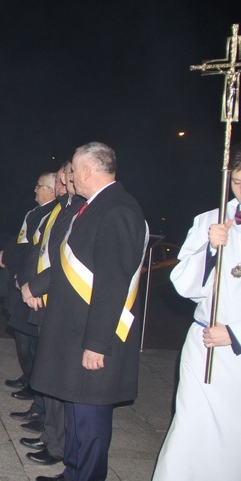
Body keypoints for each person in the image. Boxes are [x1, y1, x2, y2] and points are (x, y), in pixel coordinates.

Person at [30, 142, 148, 481]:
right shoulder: (94, 206)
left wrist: (97, 343)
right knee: (76, 414)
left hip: (95, 338)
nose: (68, 177)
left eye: (71, 170)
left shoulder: (118, 210)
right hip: (74, 333)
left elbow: (113, 284)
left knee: (91, 420)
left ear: (86, 171)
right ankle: (73, 473)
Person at [152, 147, 241, 481]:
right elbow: (183, 284)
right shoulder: (210, 220)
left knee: (232, 436)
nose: (240, 189)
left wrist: (234, 332)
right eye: (235, 182)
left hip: (236, 350)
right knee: (191, 424)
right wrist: (210, 250)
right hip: (203, 344)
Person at [18, 161, 85, 466]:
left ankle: (58, 445)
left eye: (65, 179)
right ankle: (51, 436)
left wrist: (37, 286)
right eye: (59, 180)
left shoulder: (78, 210)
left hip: (57, 299)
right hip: (45, 294)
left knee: (58, 379)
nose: (62, 185)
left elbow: (63, 259)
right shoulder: (63, 209)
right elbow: (39, 248)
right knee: (48, 373)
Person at [0, 172, 58, 414]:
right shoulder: (35, 212)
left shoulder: (52, 213)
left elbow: (33, 251)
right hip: (20, 279)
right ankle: (28, 377)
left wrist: (18, 271)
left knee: (30, 341)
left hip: (31, 284)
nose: (35, 189)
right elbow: (20, 241)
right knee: (22, 336)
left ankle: (34, 384)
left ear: (53, 190)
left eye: (40, 186)